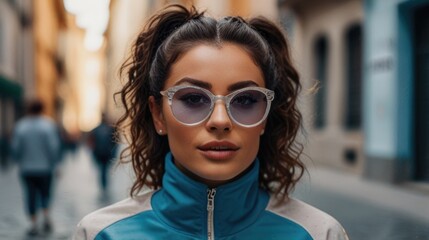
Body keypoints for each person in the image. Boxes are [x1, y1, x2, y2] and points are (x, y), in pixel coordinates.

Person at [73, 4, 349, 240]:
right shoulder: (102, 234)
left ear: (267, 115)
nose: (220, 121)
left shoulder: (318, 234)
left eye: (245, 100)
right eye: (193, 99)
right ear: (158, 115)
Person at [11, 99, 60, 236]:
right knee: (45, 193)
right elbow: (53, 148)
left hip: (27, 169)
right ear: (42, 109)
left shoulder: (21, 126)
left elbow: (15, 148)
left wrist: (19, 159)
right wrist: (55, 164)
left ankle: (33, 223)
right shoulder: (48, 125)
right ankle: (46, 216)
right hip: (45, 168)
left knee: (30, 195)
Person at [87, 114, 118, 194]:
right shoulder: (109, 129)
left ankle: (103, 183)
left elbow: (91, 142)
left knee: (102, 169)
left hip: (100, 153)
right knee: (104, 169)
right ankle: (104, 183)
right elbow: (114, 142)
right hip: (106, 153)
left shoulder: (96, 129)